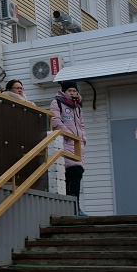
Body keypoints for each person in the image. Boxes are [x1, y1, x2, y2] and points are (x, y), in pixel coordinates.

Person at [49, 80, 87, 215]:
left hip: (78, 145)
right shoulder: (57, 103)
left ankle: (75, 207)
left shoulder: (77, 107)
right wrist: (69, 134)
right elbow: (55, 121)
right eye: (69, 90)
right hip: (66, 142)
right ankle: (73, 208)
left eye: (74, 91)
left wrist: (83, 138)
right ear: (63, 91)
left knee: (77, 174)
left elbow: (81, 124)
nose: (72, 93)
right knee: (73, 173)